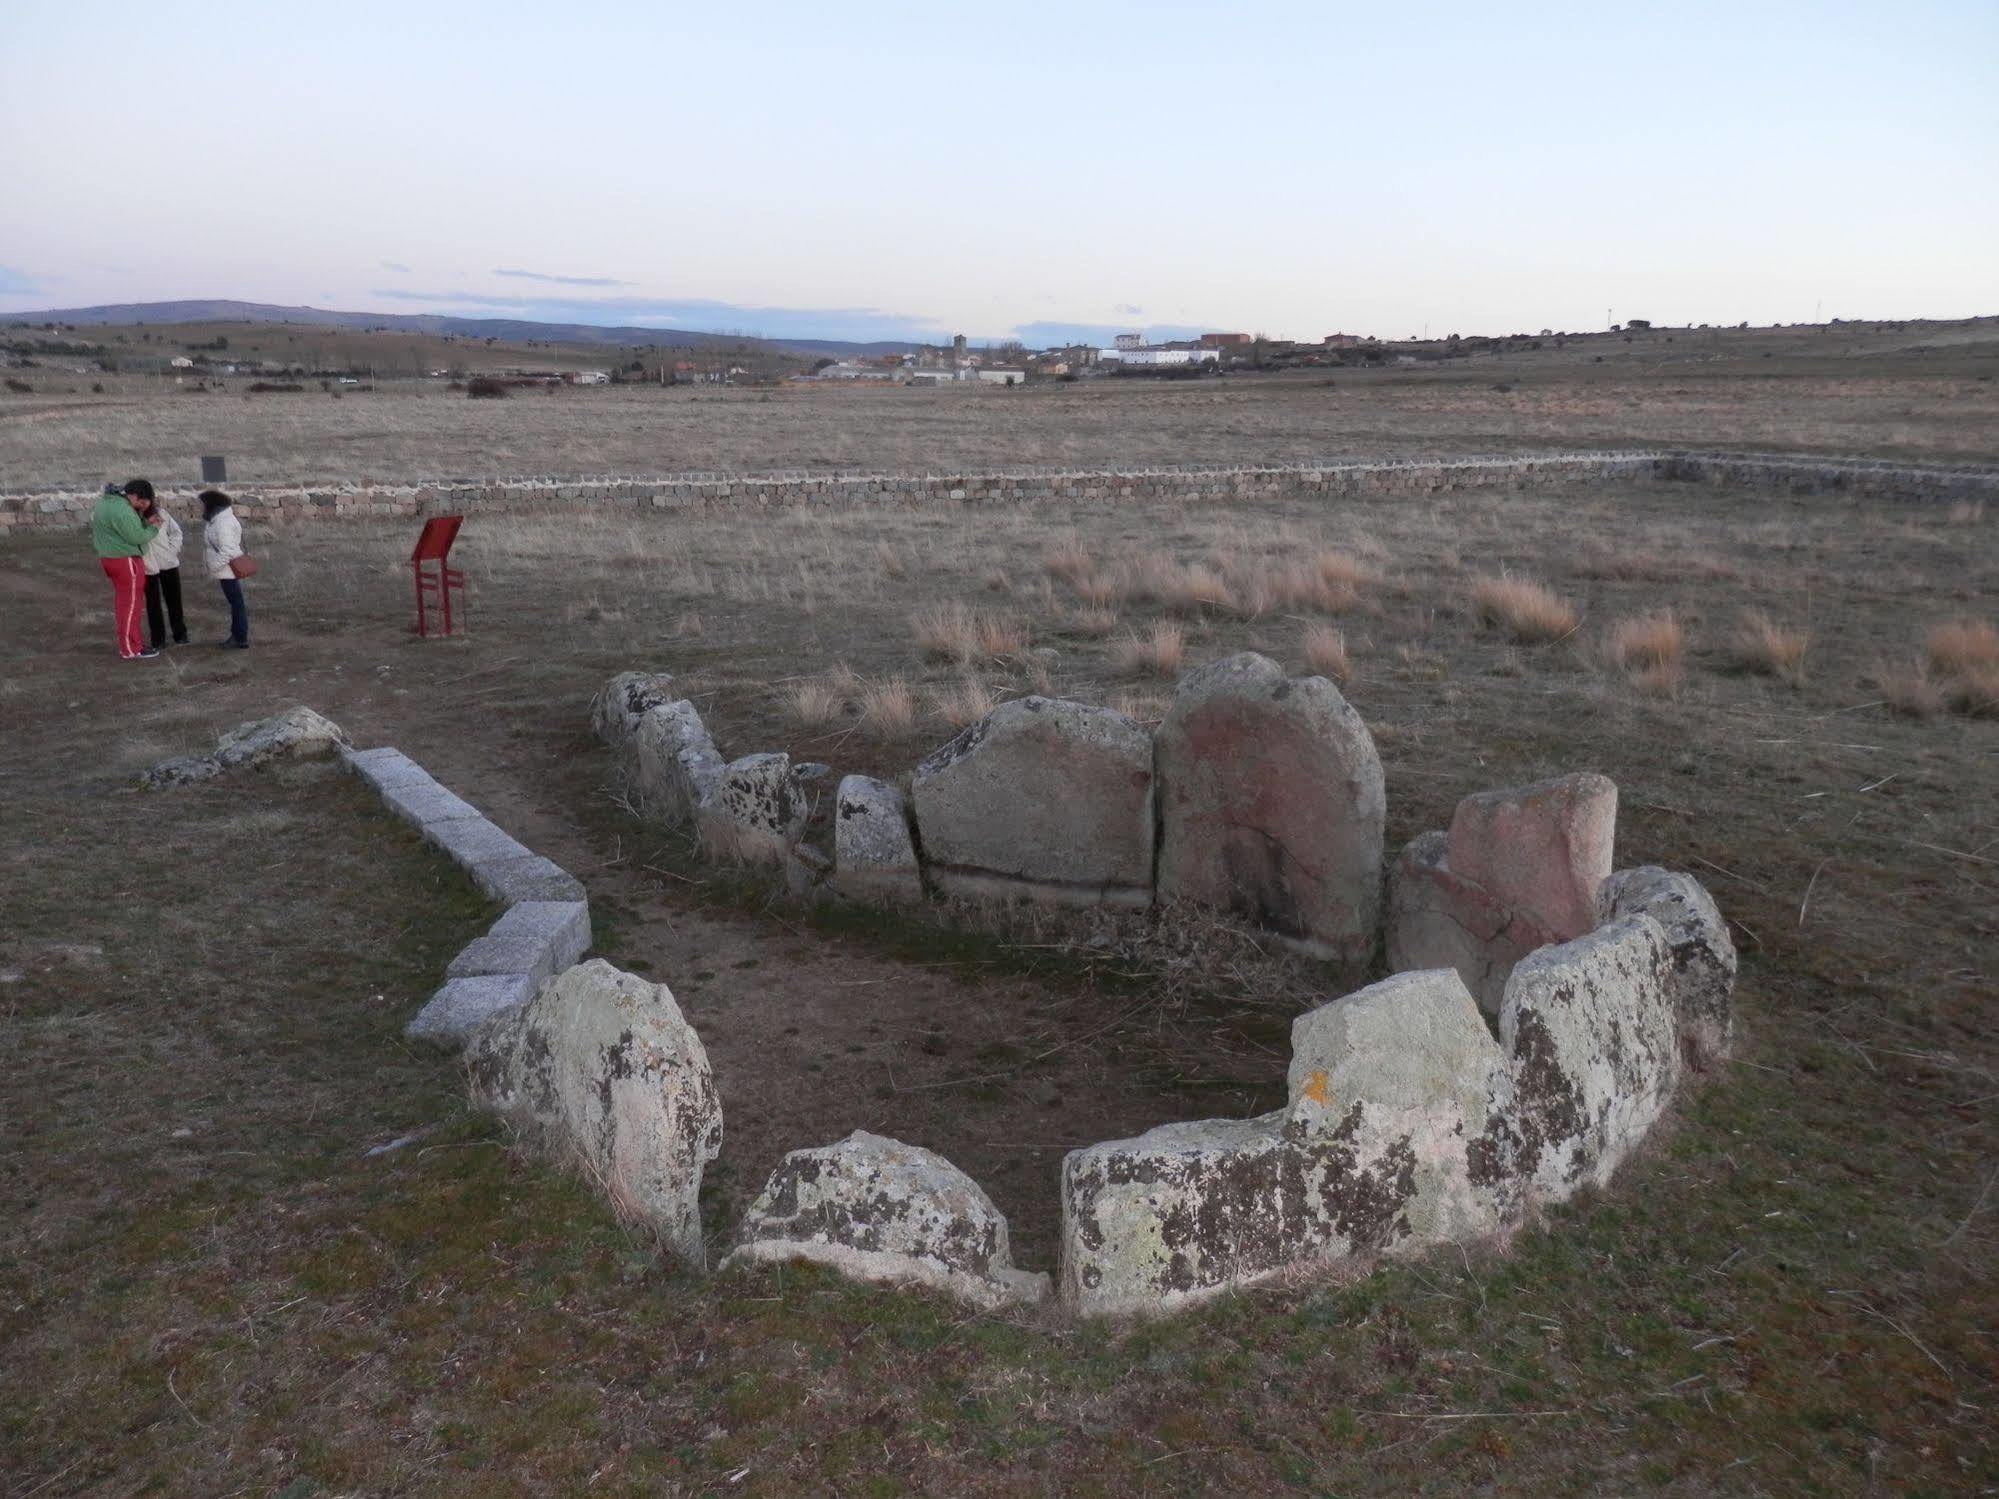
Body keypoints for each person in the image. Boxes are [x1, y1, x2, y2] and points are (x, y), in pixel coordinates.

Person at [89, 479, 163, 659]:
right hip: (125, 560)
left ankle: (130, 643)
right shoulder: (122, 510)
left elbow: (123, 530)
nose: (141, 505)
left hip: (111, 557)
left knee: (124, 604)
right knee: (130, 606)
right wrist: (153, 528)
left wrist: (144, 523)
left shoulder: (105, 503)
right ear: (133, 496)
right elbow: (137, 536)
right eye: (141, 501)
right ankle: (130, 648)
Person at [138, 490, 189, 649]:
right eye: (141, 500)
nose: (144, 503)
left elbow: (176, 533)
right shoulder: (133, 519)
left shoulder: (162, 514)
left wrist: (172, 550)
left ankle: (180, 635)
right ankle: (158, 640)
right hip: (148, 566)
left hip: (168, 563)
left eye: (146, 499)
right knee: (153, 605)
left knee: (174, 601)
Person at [200, 489, 250, 649]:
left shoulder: (223, 523)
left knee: (236, 602)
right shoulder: (220, 520)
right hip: (226, 568)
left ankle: (239, 636)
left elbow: (227, 550)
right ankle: (239, 636)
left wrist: (214, 566)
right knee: (236, 602)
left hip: (226, 568)